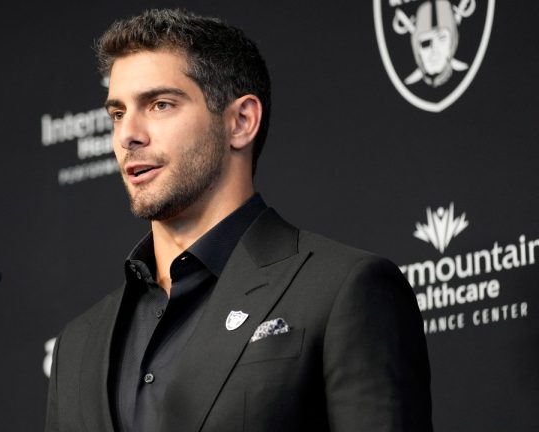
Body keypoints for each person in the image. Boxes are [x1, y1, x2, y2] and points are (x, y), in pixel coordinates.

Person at [45, 8, 433, 432]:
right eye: (117, 113)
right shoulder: (78, 346)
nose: (127, 135)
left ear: (241, 122)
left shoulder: (341, 290)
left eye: (159, 104)